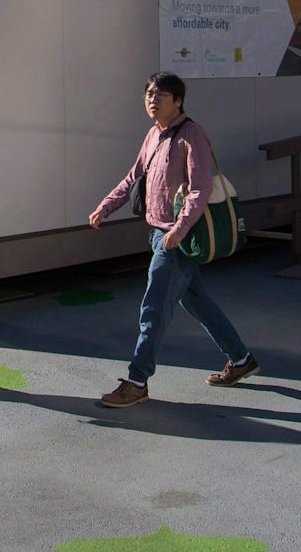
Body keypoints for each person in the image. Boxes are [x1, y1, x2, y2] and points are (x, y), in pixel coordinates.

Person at [88, 72, 258, 408]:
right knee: (196, 301)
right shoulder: (153, 135)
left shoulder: (192, 135)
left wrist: (179, 229)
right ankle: (241, 360)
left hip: (176, 238)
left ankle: (137, 381)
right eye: (149, 94)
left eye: (161, 95)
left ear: (177, 101)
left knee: (154, 307)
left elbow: (199, 188)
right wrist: (106, 206)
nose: (153, 100)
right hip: (158, 234)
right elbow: (133, 177)